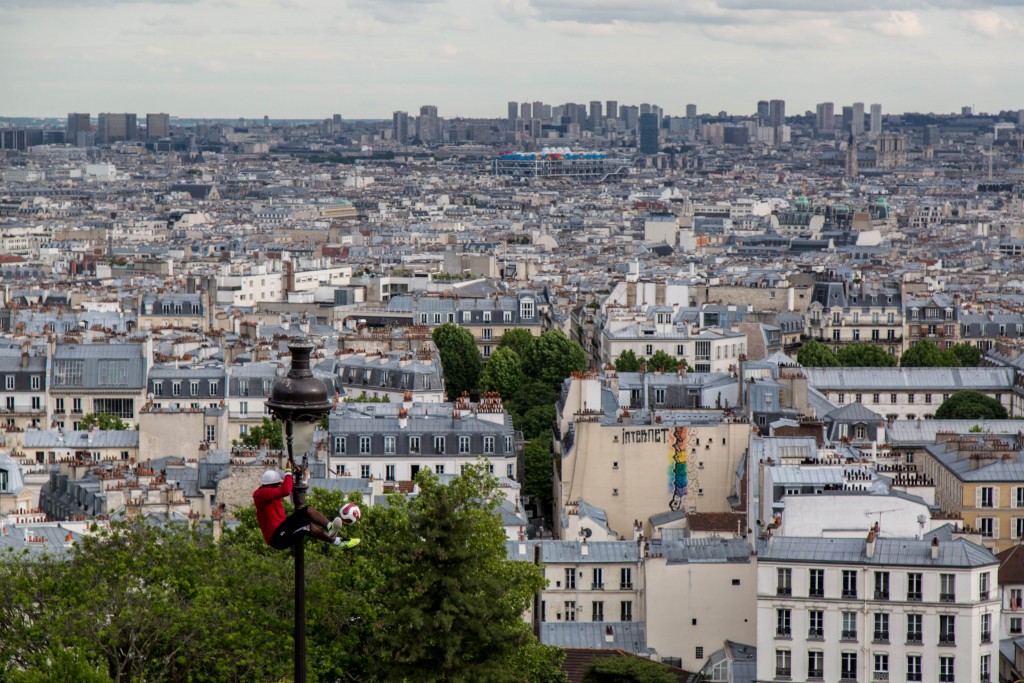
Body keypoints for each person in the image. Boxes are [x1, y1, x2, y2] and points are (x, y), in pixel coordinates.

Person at [254, 462, 359, 550]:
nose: (280, 486)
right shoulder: (261, 494)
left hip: (282, 526)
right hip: (276, 538)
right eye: (278, 484)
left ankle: (329, 526)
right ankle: (336, 542)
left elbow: (286, 486)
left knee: (307, 510)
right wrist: (287, 470)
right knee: (306, 524)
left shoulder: (269, 490)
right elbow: (286, 490)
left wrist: (293, 472)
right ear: (270, 485)